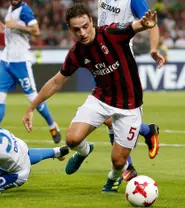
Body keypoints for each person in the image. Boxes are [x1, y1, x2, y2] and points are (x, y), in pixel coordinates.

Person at [23, 3, 158, 193]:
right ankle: (85, 151)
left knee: (118, 161)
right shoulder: (76, 53)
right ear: (70, 29)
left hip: (130, 104)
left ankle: (113, 178)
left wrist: (146, 24)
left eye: (85, 26)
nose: (83, 33)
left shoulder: (111, 33)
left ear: (91, 22)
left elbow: (134, 26)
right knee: (71, 140)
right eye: (77, 29)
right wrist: (31, 107)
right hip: (101, 98)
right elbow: (56, 83)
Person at [97, 0, 165, 182]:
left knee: (112, 116)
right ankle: (146, 133)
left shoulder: (133, 0)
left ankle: (128, 164)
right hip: (102, 61)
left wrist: (153, 50)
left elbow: (151, 22)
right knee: (108, 117)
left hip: (122, 64)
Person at [0, 0, 61, 143]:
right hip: (6, 60)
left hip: (20, 61)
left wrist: (14, 26)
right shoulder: (12, 7)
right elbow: (16, 31)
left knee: (33, 98)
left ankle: (52, 125)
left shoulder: (25, 10)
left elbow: (36, 31)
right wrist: (6, 29)